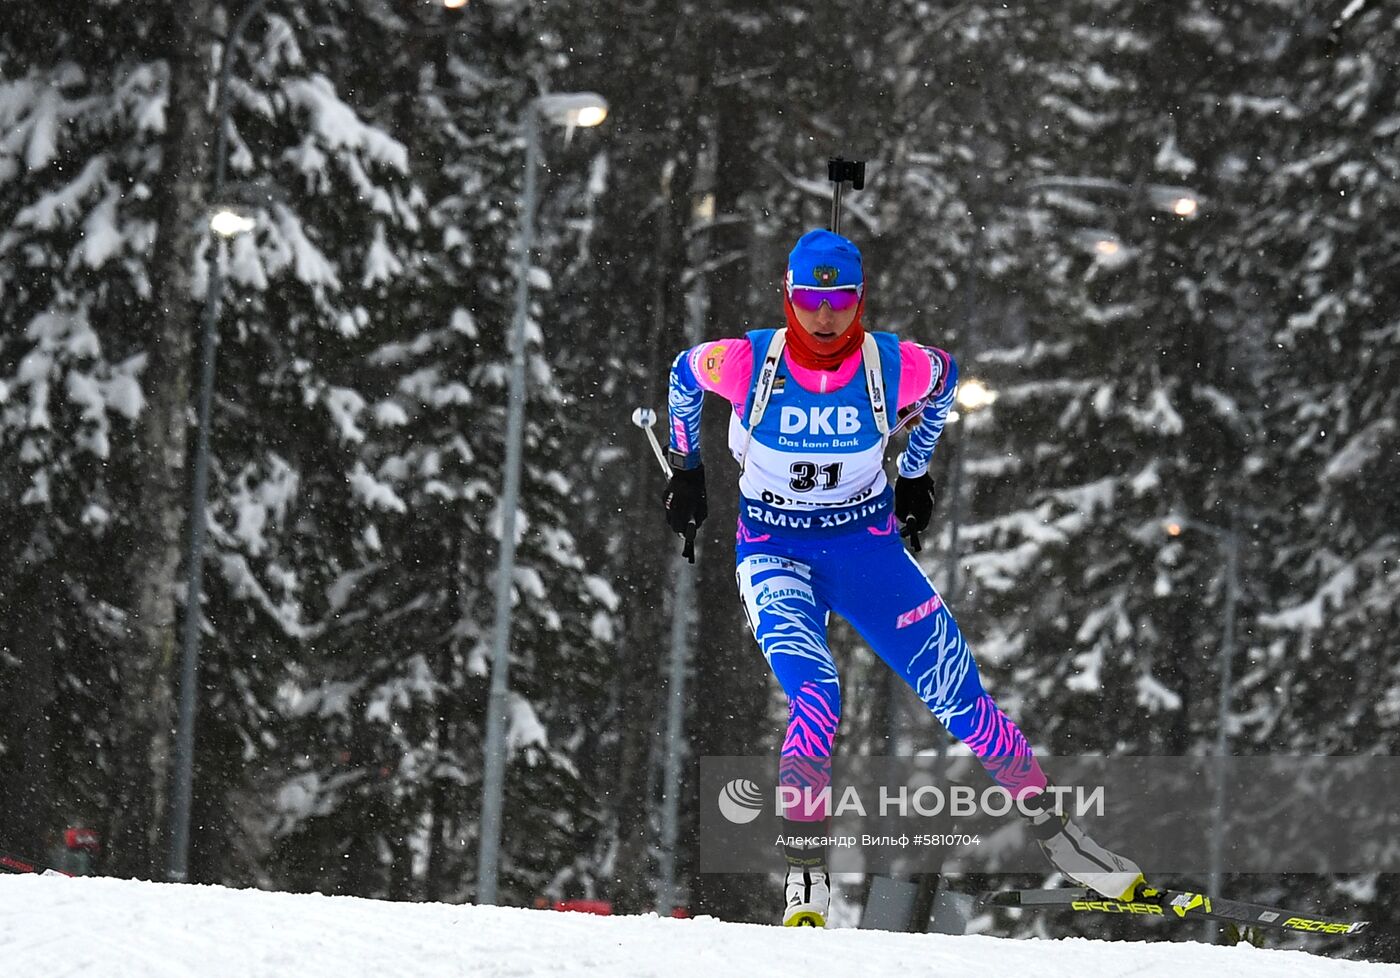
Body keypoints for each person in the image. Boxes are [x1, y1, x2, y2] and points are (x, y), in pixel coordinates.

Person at [662, 229, 1144, 927]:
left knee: (960, 698)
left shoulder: (893, 366)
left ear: (859, 300)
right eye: (810, 301)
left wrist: (915, 472)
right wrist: (688, 469)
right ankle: (805, 878)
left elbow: (946, 379)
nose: (824, 317)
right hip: (773, 549)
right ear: (789, 298)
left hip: (866, 548)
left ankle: (1065, 842)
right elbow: (683, 374)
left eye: (840, 301)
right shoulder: (745, 361)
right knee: (818, 694)